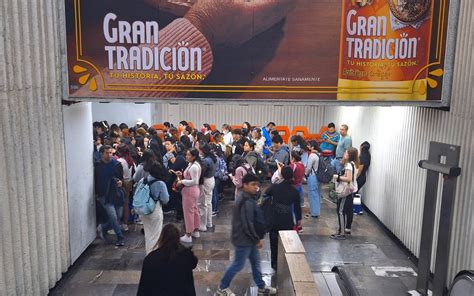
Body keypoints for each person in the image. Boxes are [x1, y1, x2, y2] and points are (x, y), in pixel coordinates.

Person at [215, 174, 277, 296]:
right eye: (253, 184)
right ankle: (222, 288)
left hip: (248, 238)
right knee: (238, 264)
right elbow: (247, 224)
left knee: (255, 262)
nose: (256, 187)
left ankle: (261, 286)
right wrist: (256, 239)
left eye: (257, 185)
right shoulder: (245, 201)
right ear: (245, 185)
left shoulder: (248, 197)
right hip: (243, 239)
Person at [138, 224, 198, 296]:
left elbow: (144, 286)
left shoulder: (151, 258)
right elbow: (194, 262)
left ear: (162, 238)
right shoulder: (186, 255)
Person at [265, 166, 302, 270]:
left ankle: (274, 262)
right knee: (286, 241)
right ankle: (284, 261)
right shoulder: (294, 191)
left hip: (275, 217)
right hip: (287, 219)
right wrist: (299, 221)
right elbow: (297, 208)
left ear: (281, 175)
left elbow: (266, 193)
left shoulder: (275, 187)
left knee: (273, 241)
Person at [95, 145, 125, 247]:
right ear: (101, 154)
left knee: (117, 216)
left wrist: (120, 182)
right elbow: (96, 180)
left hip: (116, 193)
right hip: (105, 195)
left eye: (110, 153)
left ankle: (102, 228)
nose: (109, 155)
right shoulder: (98, 166)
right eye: (107, 153)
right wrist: (97, 193)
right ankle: (120, 237)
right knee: (113, 216)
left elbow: (121, 178)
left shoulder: (117, 164)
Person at [140, 162, 170, 255]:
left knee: (148, 233)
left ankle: (148, 253)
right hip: (154, 209)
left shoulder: (143, 180)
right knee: (155, 235)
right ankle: (152, 255)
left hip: (143, 209)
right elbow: (165, 200)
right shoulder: (160, 183)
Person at [331, 147, 359, 240]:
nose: (344, 154)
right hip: (351, 191)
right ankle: (344, 229)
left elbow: (348, 178)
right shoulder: (353, 164)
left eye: (346, 153)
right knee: (347, 210)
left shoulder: (348, 166)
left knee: (340, 211)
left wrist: (338, 177)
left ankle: (341, 232)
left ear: (349, 155)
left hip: (346, 191)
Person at [176, 148, 202, 243]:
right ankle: (195, 230)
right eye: (186, 154)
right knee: (194, 210)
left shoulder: (194, 166)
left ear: (194, 156)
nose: (186, 156)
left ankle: (188, 234)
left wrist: (182, 181)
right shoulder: (192, 164)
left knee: (188, 213)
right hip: (192, 191)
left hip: (190, 191)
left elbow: (195, 181)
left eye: (188, 155)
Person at [198, 142, 217, 231]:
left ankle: (203, 225)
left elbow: (202, 172)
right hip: (211, 180)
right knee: (208, 203)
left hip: (206, 181)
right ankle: (209, 223)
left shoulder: (205, 160)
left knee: (203, 204)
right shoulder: (212, 158)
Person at [116, 144, 136, 231]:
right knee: (126, 204)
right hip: (129, 182)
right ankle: (125, 224)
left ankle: (117, 224)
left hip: (122, 182)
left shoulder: (120, 161)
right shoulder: (130, 161)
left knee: (119, 204)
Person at [305, 140, 321, 218]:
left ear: (312, 147)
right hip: (318, 177)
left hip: (312, 176)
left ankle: (314, 213)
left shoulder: (312, 155)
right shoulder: (319, 154)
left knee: (312, 194)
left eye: (309, 145)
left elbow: (308, 168)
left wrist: (305, 174)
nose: (307, 146)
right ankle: (316, 211)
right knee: (317, 194)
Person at [212, 144, 228, 216]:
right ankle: (215, 209)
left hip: (215, 177)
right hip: (219, 178)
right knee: (216, 193)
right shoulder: (221, 157)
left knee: (214, 194)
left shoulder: (215, 158)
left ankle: (215, 209)